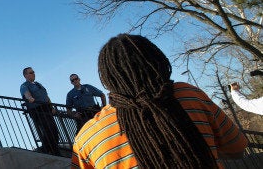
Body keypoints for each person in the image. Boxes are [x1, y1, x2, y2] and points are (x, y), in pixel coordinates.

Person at [72, 34, 248, 168]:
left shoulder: (87, 139)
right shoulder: (189, 95)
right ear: (158, 61)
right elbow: (237, 148)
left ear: (108, 77)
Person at [20, 67, 61, 156]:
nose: (33, 73)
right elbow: (26, 94)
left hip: (46, 109)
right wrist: (30, 98)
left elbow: (46, 96)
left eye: (33, 72)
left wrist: (51, 107)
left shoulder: (38, 84)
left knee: (54, 130)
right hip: (37, 110)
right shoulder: (24, 85)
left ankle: (47, 149)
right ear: (25, 75)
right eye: (31, 72)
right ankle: (53, 152)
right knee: (48, 129)